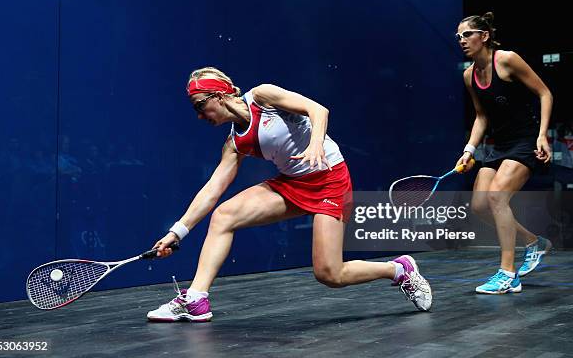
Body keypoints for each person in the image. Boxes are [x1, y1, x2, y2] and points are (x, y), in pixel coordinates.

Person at [146, 67, 432, 321]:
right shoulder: (235, 143)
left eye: (200, 105)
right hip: (292, 184)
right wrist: (177, 233)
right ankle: (196, 299)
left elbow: (319, 110)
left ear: (218, 96)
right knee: (224, 215)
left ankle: (398, 270)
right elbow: (212, 190)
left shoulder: (262, 96)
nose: (199, 115)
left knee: (329, 274)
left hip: (331, 181)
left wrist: (316, 144)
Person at [456, 12, 554, 294]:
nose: (462, 41)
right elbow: (481, 117)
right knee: (479, 205)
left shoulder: (507, 59)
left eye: (467, 34)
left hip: (525, 140)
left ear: (484, 36)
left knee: (497, 197)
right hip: (499, 144)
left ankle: (508, 274)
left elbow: (545, 93)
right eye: (459, 36)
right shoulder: (468, 76)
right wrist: (469, 150)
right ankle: (533, 242)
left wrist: (542, 135)